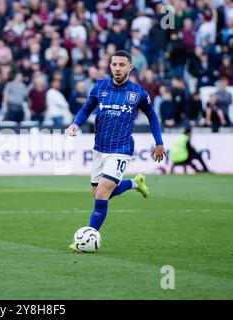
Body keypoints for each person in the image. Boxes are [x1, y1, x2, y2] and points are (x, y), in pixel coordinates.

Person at [65, 50, 166, 253]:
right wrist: (75, 124)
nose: (117, 68)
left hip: (121, 148)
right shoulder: (100, 87)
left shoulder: (138, 93)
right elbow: (86, 108)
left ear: (130, 67)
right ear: (110, 66)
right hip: (100, 148)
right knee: (99, 195)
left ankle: (87, 238)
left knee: (102, 192)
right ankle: (134, 183)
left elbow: (153, 117)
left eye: (122, 65)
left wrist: (159, 142)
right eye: (114, 65)